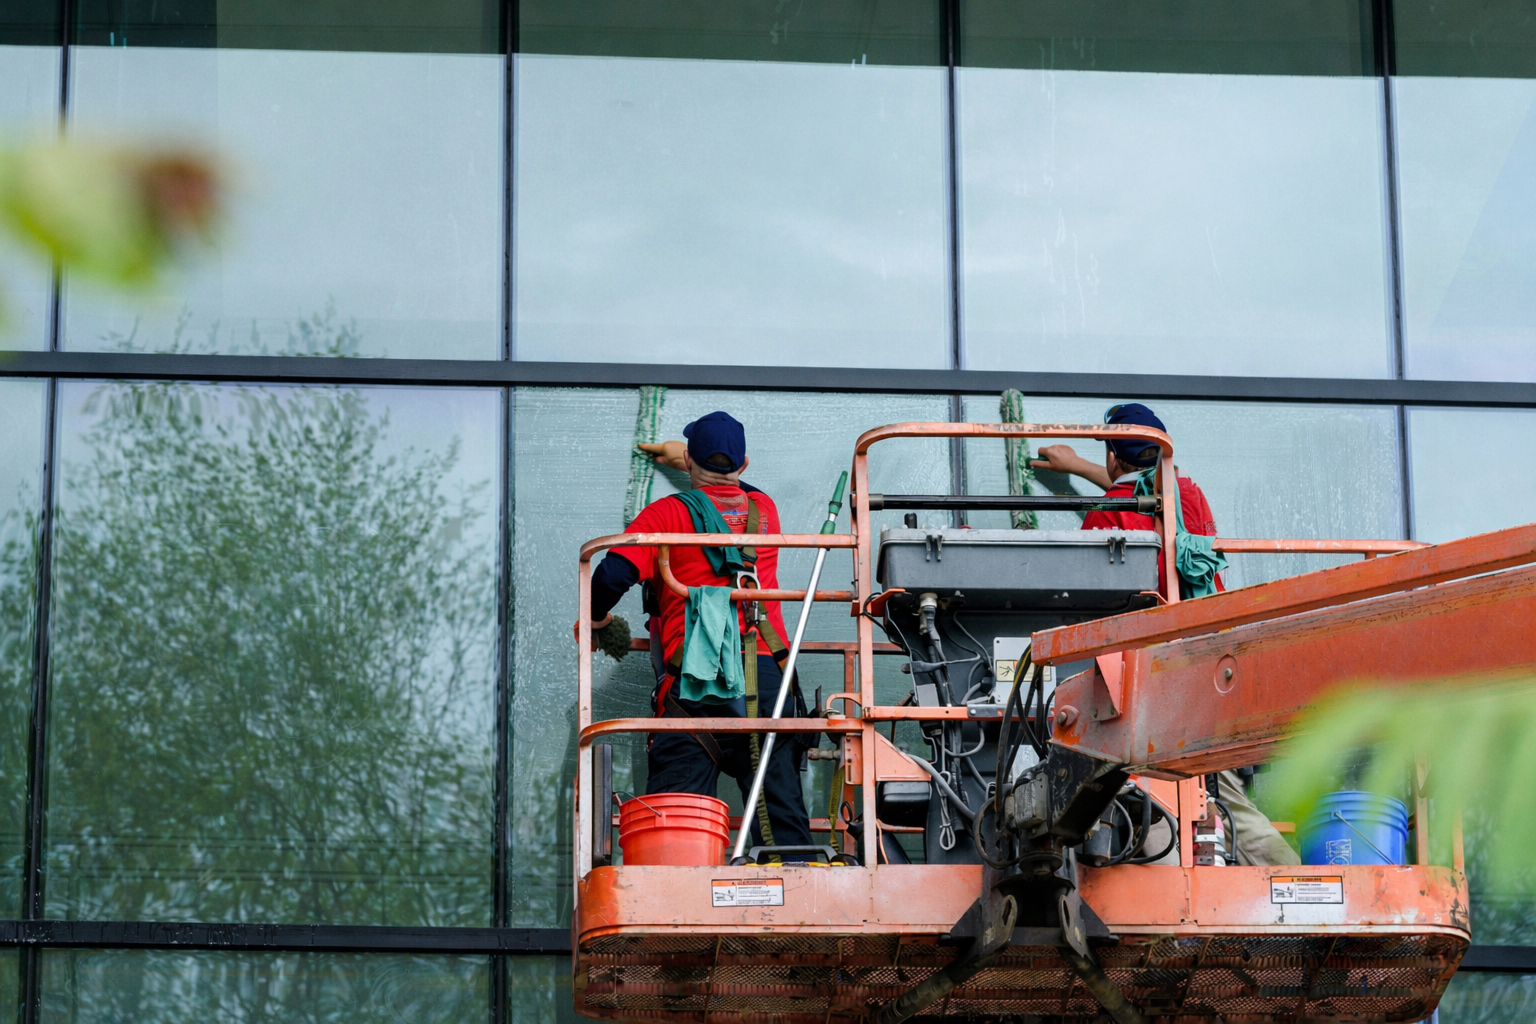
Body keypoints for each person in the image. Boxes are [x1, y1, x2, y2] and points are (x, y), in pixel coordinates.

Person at [1031, 402, 1299, 867]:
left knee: (1150, 799)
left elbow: (1115, 531)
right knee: (1227, 802)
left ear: (1115, 456)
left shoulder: (1107, 520)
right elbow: (1148, 503)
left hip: (1155, 695)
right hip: (1219, 674)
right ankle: (1291, 877)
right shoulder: (1189, 498)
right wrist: (1078, 468)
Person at [581, 411, 814, 858]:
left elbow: (612, 575)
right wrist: (688, 462)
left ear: (689, 460)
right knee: (781, 818)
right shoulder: (765, 511)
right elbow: (736, 495)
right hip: (766, 678)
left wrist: (595, 621)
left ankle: (671, 912)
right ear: (744, 465)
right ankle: (796, 903)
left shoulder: (665, 515)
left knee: (675, 824)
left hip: (693, 683)